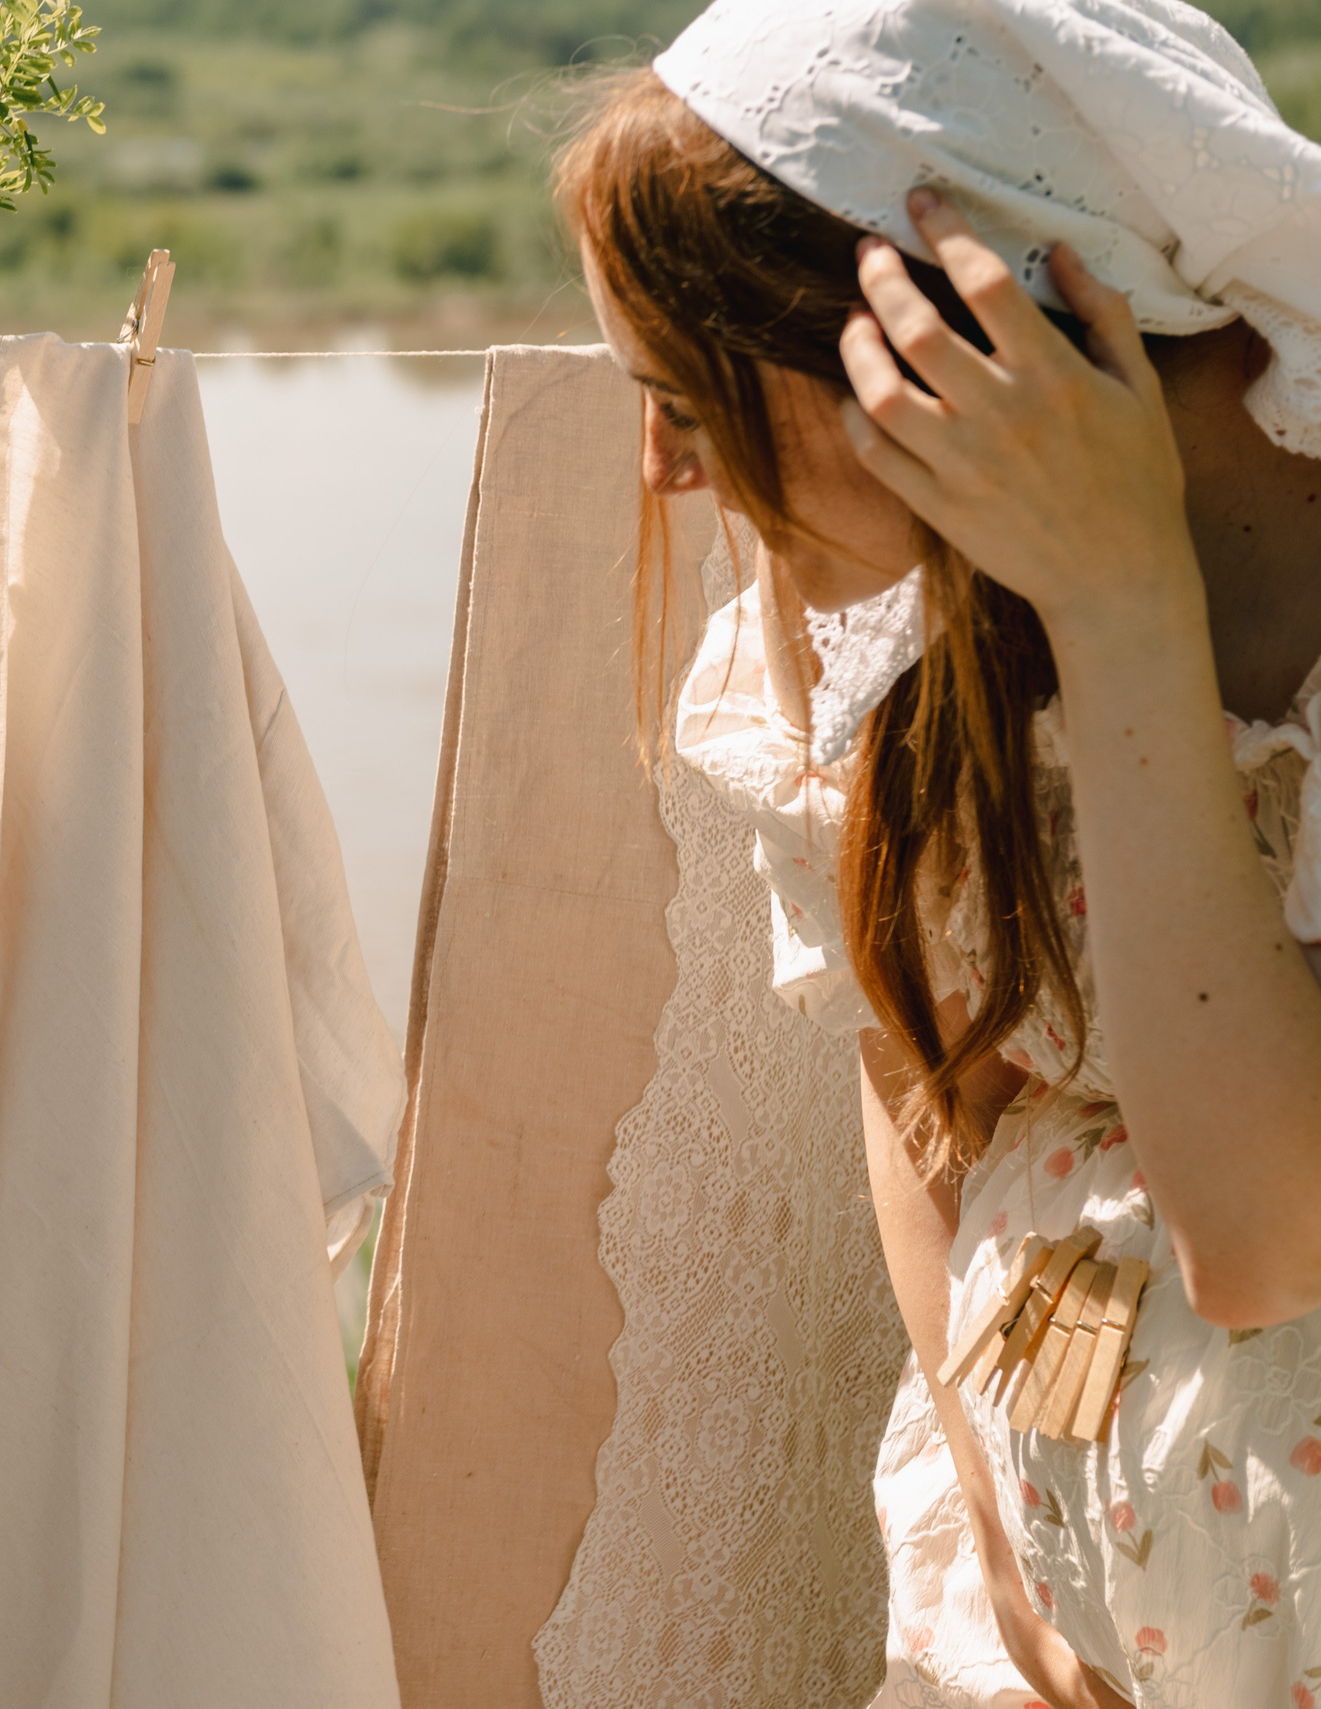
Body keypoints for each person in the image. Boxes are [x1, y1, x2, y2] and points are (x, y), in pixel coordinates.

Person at [555, 3, 1321, 1704]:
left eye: (687, 398)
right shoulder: (906, 644)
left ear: (953, 348)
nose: (662, 469)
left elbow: (1272, 1227)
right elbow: (922, 1083)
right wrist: (989, 1507)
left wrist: (1124, 603)